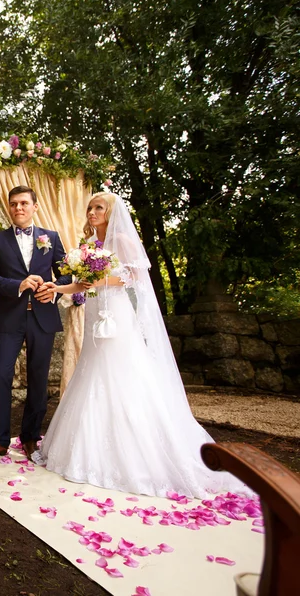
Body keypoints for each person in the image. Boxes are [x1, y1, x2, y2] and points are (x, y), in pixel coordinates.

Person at [33, 192, 249, 498]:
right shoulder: (90, 244)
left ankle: (136, 453)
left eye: (98, 207)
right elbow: (84, 283)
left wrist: (102, 281)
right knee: (93, 371)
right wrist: (58, 288)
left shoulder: (122, 239)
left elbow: (135, 276)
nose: (91, 212)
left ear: (111, 212)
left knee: (123, 373)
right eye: (90, 207)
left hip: (118, 315)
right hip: (96, 315)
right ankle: (87, 448)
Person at [0, 185, 71, 461]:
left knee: (39, 379)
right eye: (14, 203)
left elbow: (66, 275)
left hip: (43, 316)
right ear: (9, 207)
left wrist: (53, 287)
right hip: (10, 317)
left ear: (35, 207)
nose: (18, 208)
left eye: (24, 203)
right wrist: (18, 284)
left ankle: (30, 437)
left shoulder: (50, 238)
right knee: (0, 375)